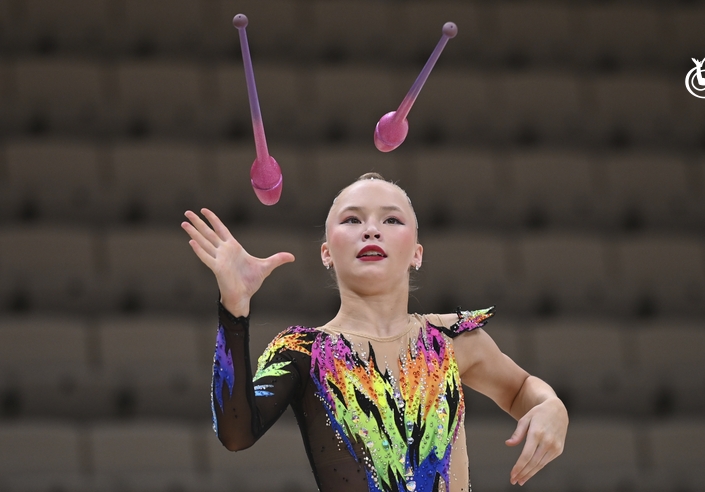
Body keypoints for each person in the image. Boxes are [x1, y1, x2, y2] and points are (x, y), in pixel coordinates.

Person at [181, 173, 568, 492]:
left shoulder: (451, 340)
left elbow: (521, 390)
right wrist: (234, 308)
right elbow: (235, 434)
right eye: (351, 220)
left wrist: (553, 406)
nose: (371, 230)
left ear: (417, 253)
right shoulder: (303, 351)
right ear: (326, 252)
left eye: (391, 220)